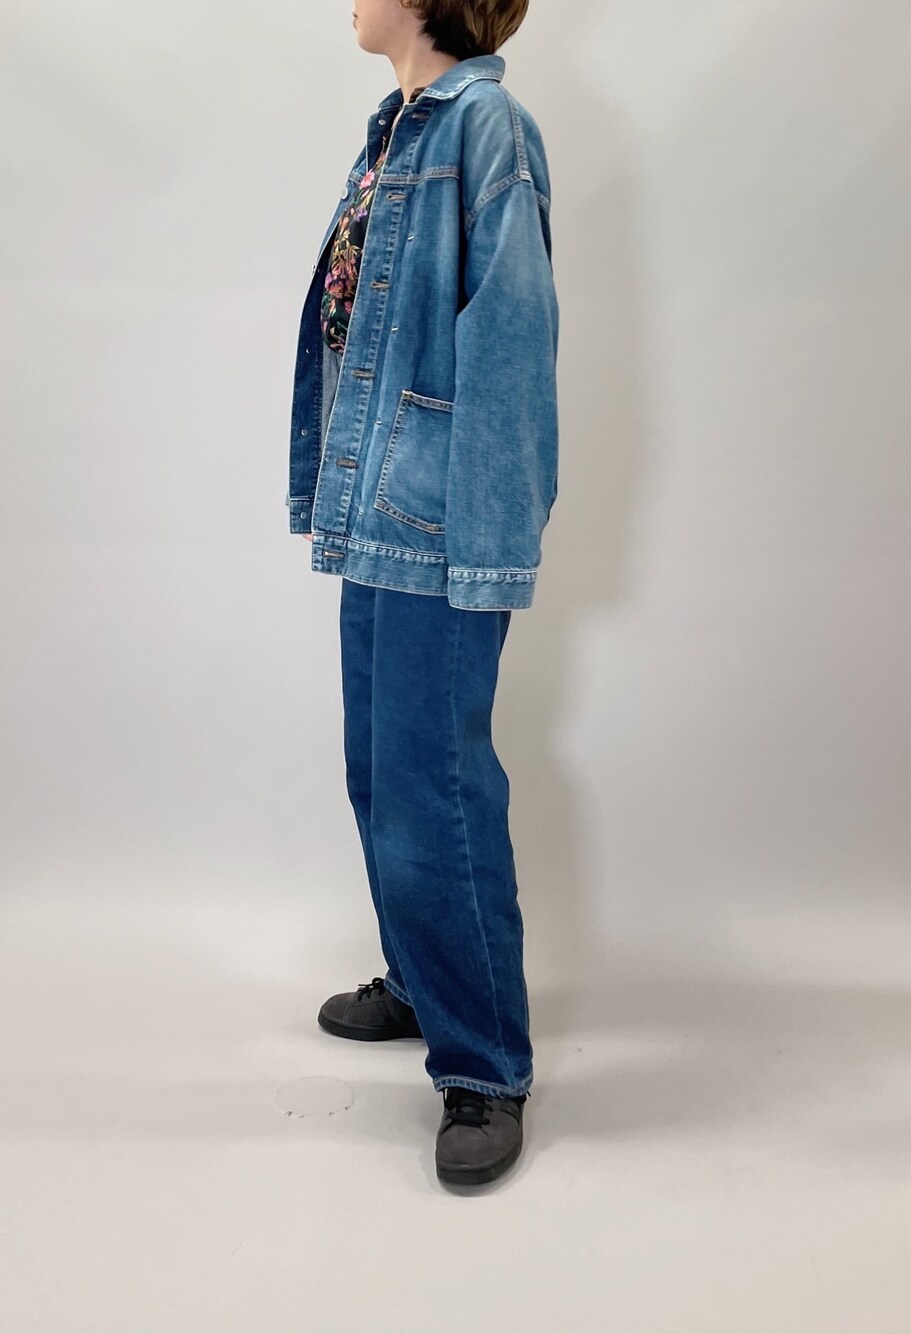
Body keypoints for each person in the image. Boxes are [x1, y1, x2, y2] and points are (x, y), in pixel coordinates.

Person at [286, 0, 558, 1187]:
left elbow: (512, 343)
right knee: (380, 770)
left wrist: (485, 549)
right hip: (379, 507)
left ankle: (483, 1062)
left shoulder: (485, 128)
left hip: (440, 518)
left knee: (436, 785)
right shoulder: (395, 129)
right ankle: (423, 970)